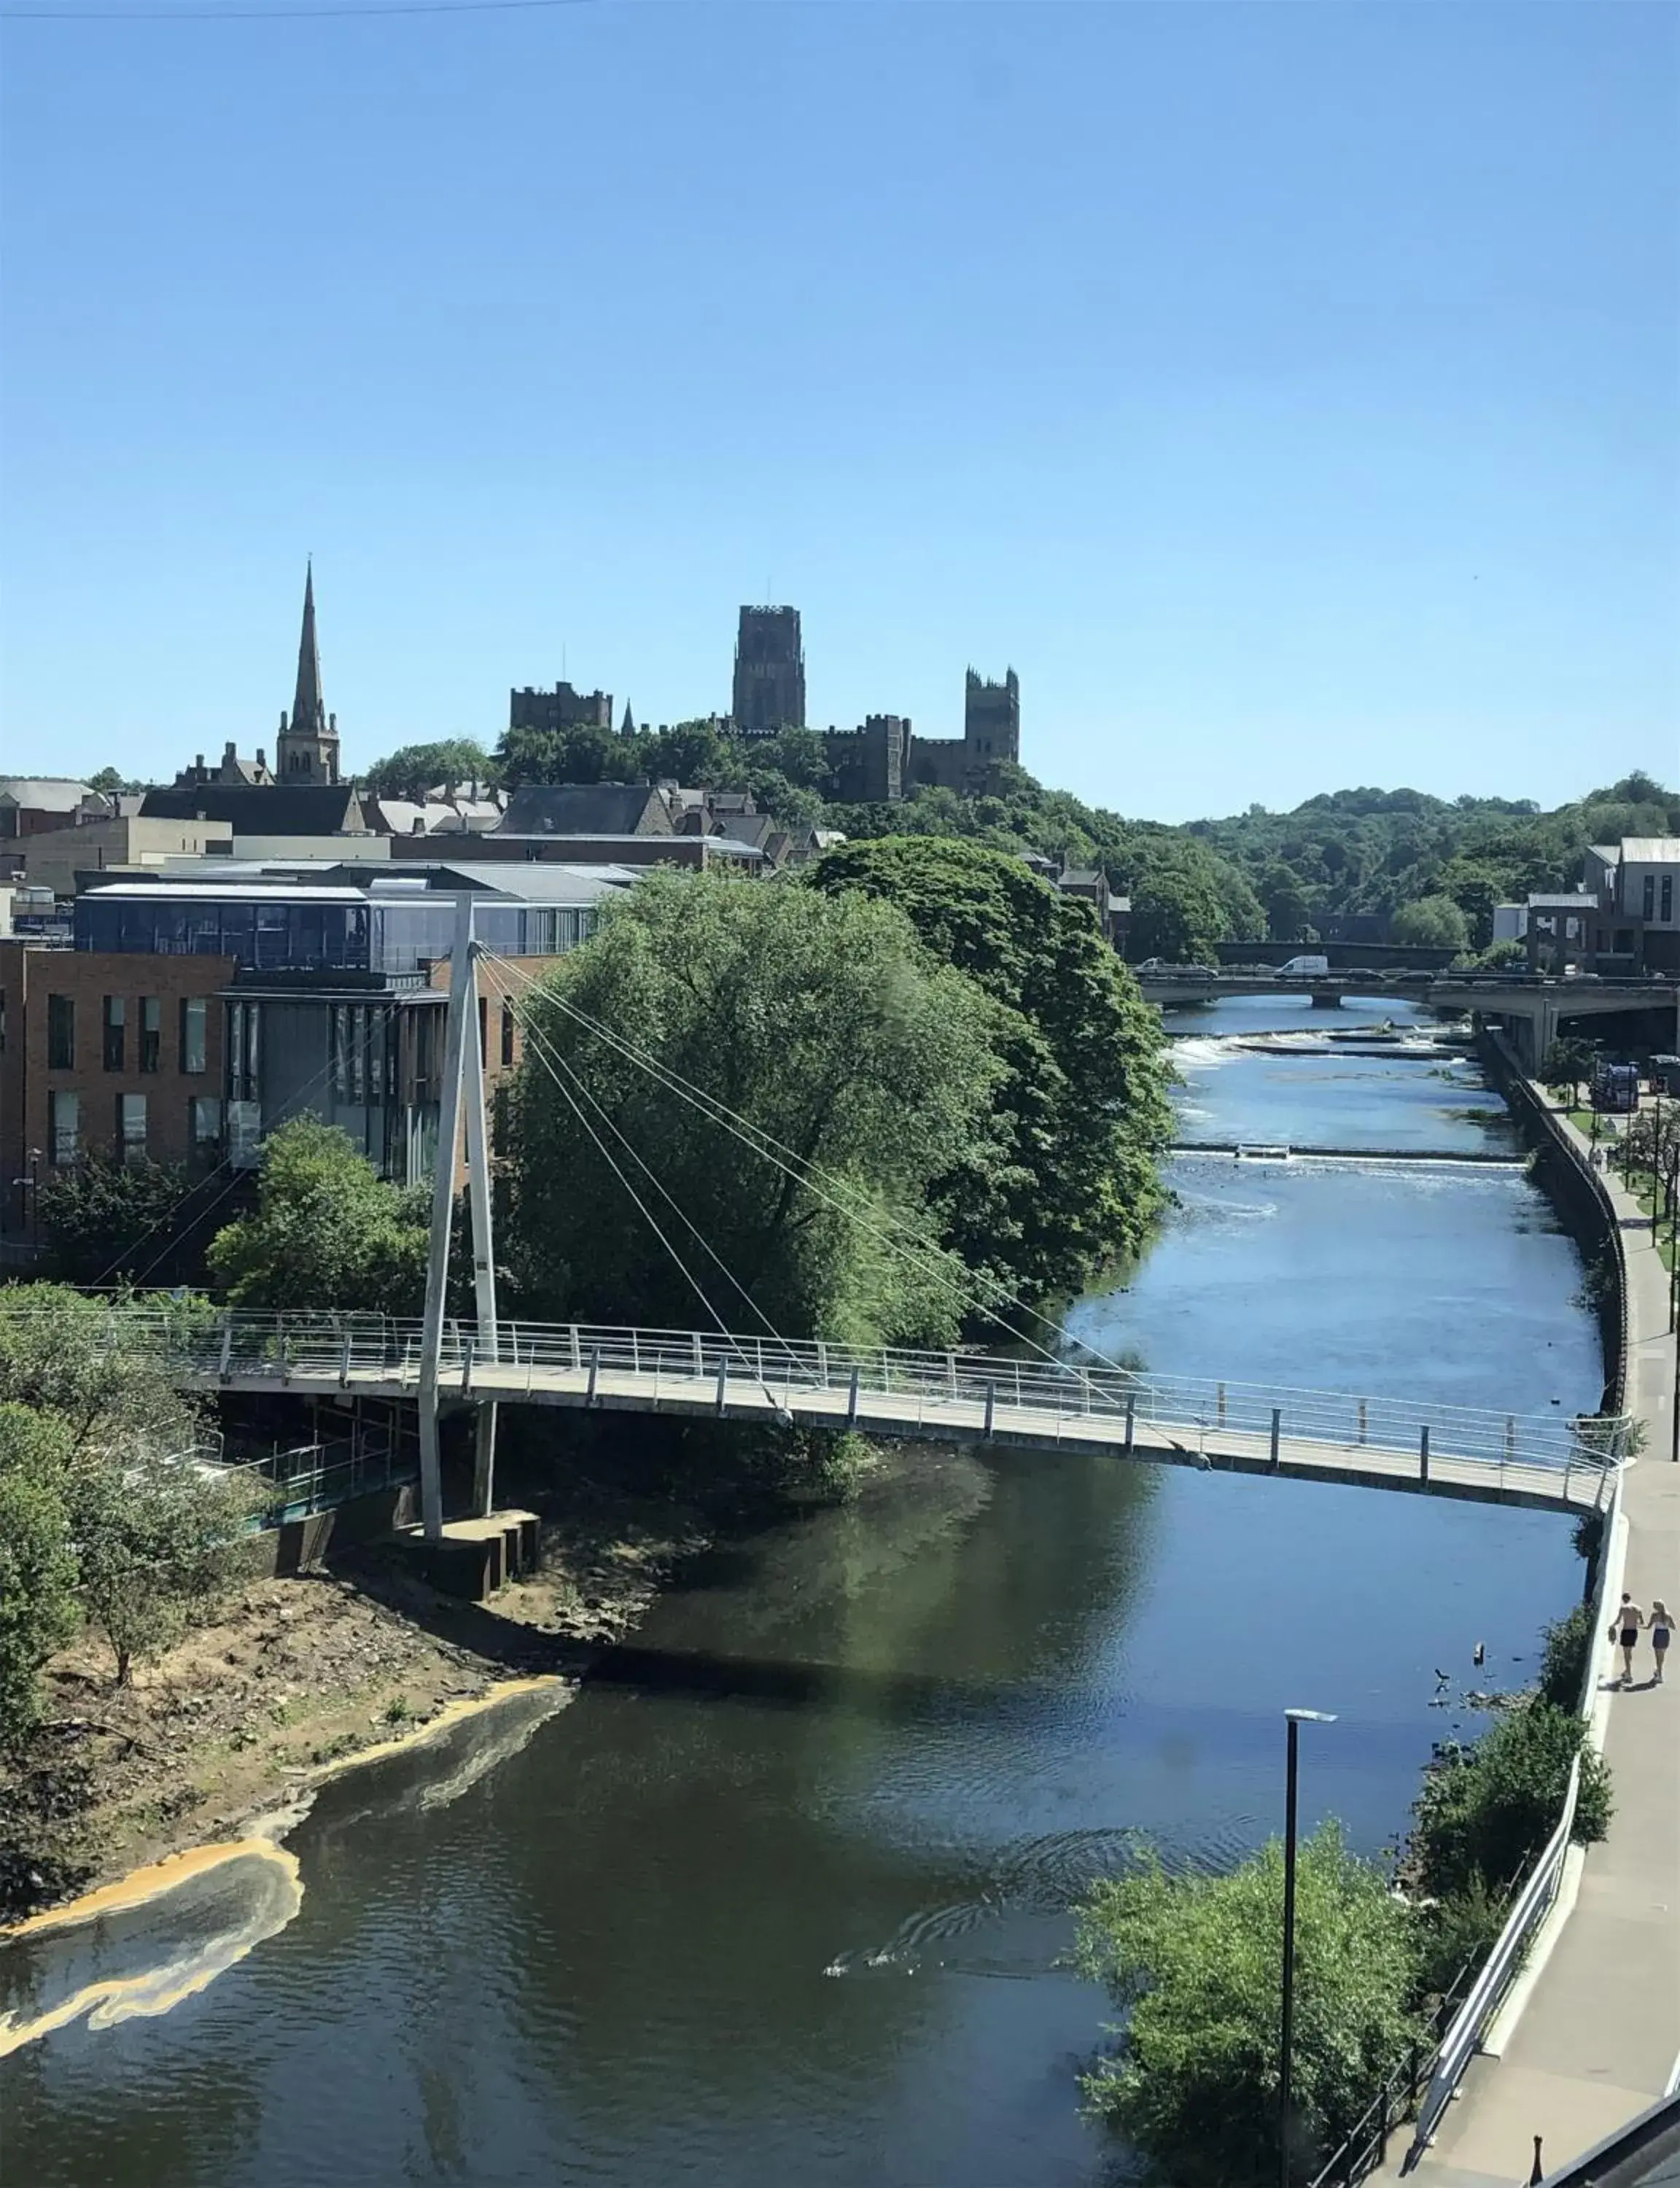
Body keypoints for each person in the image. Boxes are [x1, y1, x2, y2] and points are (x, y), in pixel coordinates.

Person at [1609, 1593, 1645, 1684]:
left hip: (1626, 1632)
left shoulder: (1623, 1608)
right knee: (1629, 1653)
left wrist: (1612, 1626)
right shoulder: (1638, 1609)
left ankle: (1629, 1674)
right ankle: (1627, 1670)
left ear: (1624, 1599)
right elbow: (1642, 1622)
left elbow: (1618, 1621)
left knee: (1626, 1654)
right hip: (1634, 1632)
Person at [1646, 1599, 1672, 1685]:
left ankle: (1660, 1675)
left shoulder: (1654, 1615)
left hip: (1658, 1634)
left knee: (1658, 1656)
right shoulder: (1668, 1615)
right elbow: (1673, 1626)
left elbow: (1648, 1626)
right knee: (1662, 1655)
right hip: (1665, 1634)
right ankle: (1658, 1671)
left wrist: (1639, 1626)